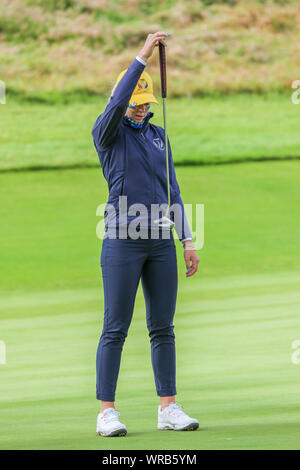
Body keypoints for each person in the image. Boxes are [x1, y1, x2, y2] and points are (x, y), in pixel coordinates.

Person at [92, 32, 200, 437]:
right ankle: (107, 413)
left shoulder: (158, 136)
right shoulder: (108, 132)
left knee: (163, 327)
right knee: (115, 327)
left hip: (159, 243)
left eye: (144, 105)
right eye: (134, 105)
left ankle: (168, 407)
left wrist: (187, 240)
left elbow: (173, 188)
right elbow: (116, 101)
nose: (139, 111)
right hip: (121, 241)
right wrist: (142, 56)